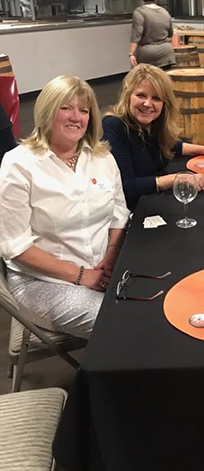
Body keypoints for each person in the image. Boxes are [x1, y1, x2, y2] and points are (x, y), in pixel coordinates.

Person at [0, 76, 129, 339]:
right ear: (47, 111)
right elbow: (15, 246)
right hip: (44, 282)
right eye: (66, 108)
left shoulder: (102, 158)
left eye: (84, 110)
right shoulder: (18, 165)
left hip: (104, 268)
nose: (76, 117)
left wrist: (112, 255)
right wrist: (82, 276)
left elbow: (119, 213)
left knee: (160, 306)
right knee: (121, 325)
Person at [103, 64, 204, 210]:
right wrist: (177, 179)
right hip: (133, 213)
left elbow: (172, 146)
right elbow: (126, 186)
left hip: (154, 202)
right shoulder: (113, 126)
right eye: (141, 95)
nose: (148, 104)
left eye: (156, 98)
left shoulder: (154, 124)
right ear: (128, 96)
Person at [129, 0, 175, 69]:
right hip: (166, 53)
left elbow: (136, 35)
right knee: (164, 80)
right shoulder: (165, 12)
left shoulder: (139, 12)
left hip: (147, 54)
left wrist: (131, 54)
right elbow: (170, 33)